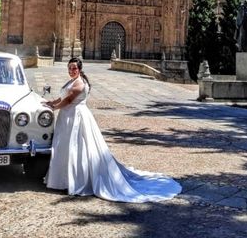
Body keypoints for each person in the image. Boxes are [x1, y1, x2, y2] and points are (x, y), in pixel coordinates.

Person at [44, 57, 181, 202]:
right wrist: (51, 103)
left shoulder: (79, 83)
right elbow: (62, 97)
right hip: (68, 117)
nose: (71, 70)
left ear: (80, 69)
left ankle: (77, 182)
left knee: (77, 148)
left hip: (76, 118)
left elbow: (69, 100)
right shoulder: (73, 81)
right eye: (70, 68)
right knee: (68, 147)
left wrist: (54, 107)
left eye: (74, 68)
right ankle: (65, 180)